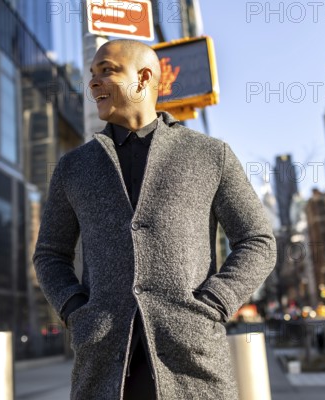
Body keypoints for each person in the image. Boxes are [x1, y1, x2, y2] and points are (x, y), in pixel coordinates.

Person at [32, 39, 277, 400]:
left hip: (192, 358)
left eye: (108, 71)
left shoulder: (210, 155)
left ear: (144, 77)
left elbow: (258, 240)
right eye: (92, 74)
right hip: (102, 362)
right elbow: (49, 254)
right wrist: (75, 310)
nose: (94, 82)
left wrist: (216, 301)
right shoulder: (73, 167)